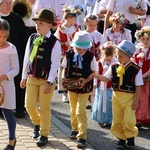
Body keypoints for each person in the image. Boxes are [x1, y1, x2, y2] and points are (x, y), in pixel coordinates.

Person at [20, 9, 61, 147]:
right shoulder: (32, 38)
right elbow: (27, 58)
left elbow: (55, 64)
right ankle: (37, 123)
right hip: (32, 77)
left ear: (50, 25)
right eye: (37, 23)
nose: (38, 25)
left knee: (44, 107)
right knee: (29, 105)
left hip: (45, 80)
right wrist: (24, 77)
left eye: (41, 23)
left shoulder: (55, 42)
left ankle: (44, 134)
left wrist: (50, 82)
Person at [94, 40, 143, 149]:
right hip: (116, 97)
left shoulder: (136, 69)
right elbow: (107, 78)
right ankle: (121, 139)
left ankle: (130, 138)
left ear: (129, 56)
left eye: (121, 56)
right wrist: (96, 76)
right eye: (117, 55)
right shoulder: (114, 66)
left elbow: (139, 85)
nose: (118, 58)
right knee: (117, 119)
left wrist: (137, 100)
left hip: (130, 98)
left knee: (128, 120)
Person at [61, 31, 97, 148]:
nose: (79, 50)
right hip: (71, 87)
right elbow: (64, 68)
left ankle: (82, 135)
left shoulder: (91, 56)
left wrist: (85, 80)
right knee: (72, 109)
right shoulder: (69, 54)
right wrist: (63, 78)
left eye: (82, 48)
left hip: (84, 88)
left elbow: (94, 72)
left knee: (80, 111)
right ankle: (74, 128)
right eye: (77, 48)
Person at [0, 0, 28, 118]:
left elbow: (24, 39)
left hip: (17, 55)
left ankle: (19, 107)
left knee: (17, 81)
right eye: (5, 3)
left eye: (10, 3)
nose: (8, 6)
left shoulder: (17, 19)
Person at [54, 4, 80, 103]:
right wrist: (64, 43)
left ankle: (73, 90)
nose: (75, 20)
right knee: (63, 72)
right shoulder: (61, 28)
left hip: (74, 53)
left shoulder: (76, 28)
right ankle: (64, 92)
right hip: (64, 54)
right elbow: (56, 42)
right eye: (74, 18)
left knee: (73, 71)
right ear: (69, 18)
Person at [0, 19, 19, 150]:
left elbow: (15, 69)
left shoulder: (11, 48)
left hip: (6, 86)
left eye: (5, 36)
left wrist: (3, 77)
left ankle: (12, 140)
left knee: (7, 112)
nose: (2, 39)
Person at [92, 41, 117, 127]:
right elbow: (96, 74)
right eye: (107, 55)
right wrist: (95, 83)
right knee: (101, 102)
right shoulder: (99, 62)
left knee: (110, 102)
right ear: (103, 54)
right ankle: (101, 119)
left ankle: (110, 120)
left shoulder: (115, 62)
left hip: (110, 86)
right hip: (101, 86)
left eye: (111, 55)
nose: (109, 57)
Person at [84, 14, 103, 108]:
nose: (93, 27)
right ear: (86, 23)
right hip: (86, 60)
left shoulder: (98, 35)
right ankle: (87, 98)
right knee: (87, 77)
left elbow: (102, 47)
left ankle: (93, 99)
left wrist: (100, 54)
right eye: (90, 25)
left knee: (95, 78)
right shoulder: (83, 34)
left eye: (95, 25)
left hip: (97, 59)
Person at [133, 27, 150, 127]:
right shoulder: (138, 49)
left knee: (146, 97)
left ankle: (146, 117)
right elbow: (134, 63)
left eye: (148, 39)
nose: (145, 41)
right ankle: (139, 118)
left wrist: (143, 76)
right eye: (143, 39)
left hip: (147, 77)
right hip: (138, 77)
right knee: (139, 98)